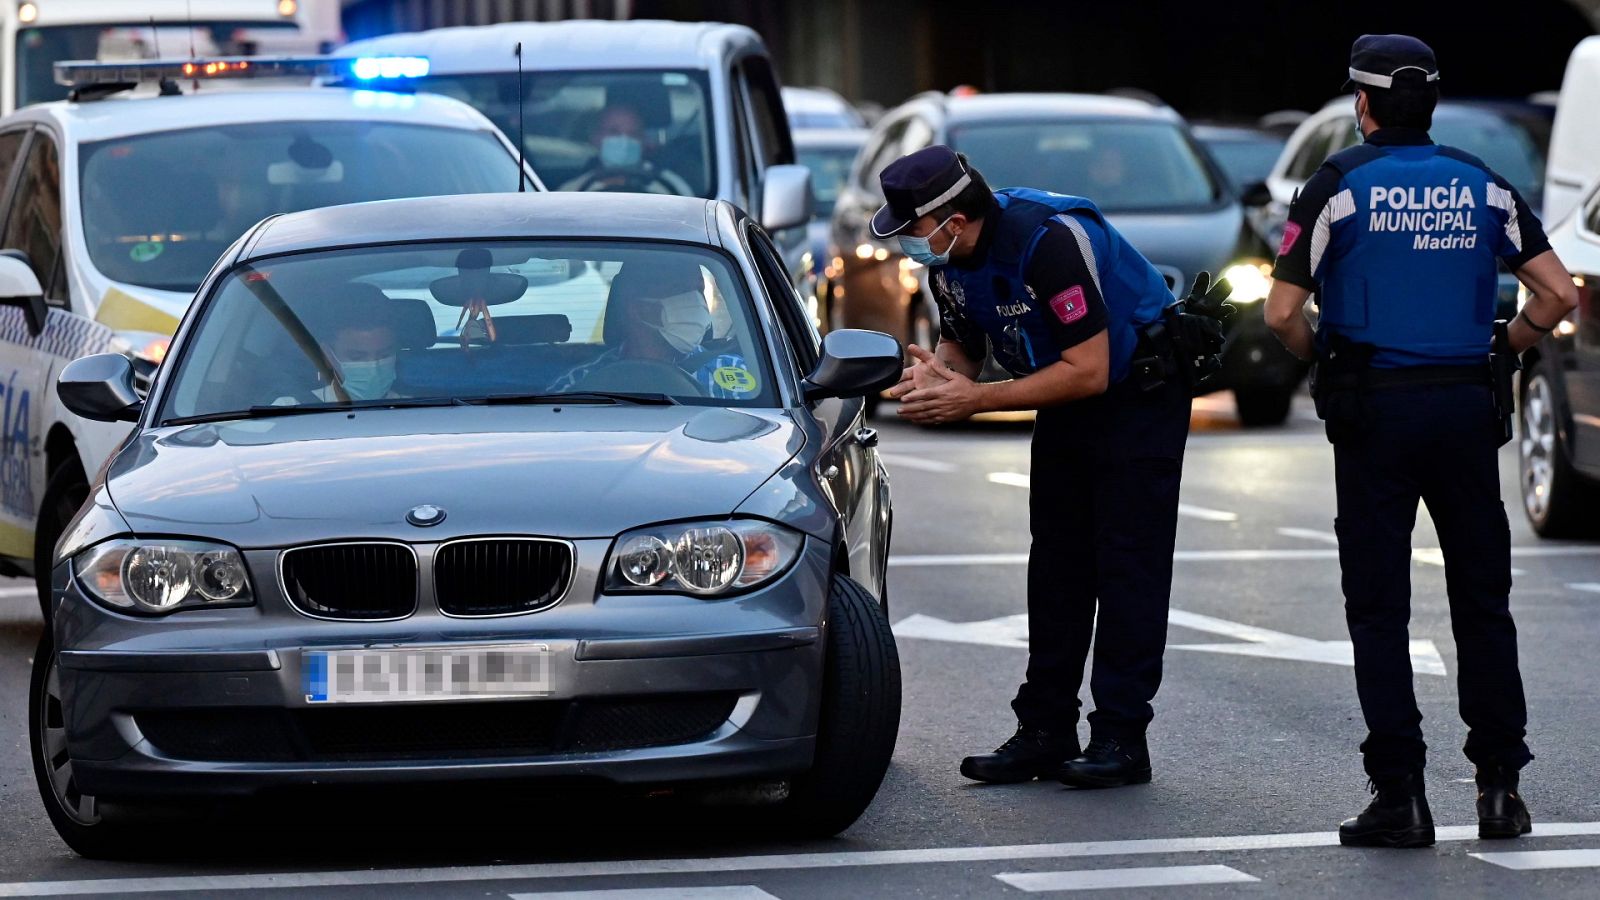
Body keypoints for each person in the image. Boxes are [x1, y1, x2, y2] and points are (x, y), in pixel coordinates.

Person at [1264, 34, 1579, 849]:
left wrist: (1319, 359)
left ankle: (1400, 795)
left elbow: (1279, 315)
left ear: (1362, 105)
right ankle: (1500, 791)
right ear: (1429, 103)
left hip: (1374, 414)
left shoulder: (1335, 186)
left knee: (1379, 607)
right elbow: (1557, 291)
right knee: (1483, 602)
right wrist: (1504, 344)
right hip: (1468, 411)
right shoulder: (1484, 184)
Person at [877, 145, 1218, 788]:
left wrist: (976, 402)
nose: (907, 246)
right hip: (1067, 392)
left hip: (1137, 394)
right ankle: (1045, 729)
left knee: (1125, 563)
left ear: (951, 217)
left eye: (912, 231)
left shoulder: (1047, 243)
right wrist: (937, 378)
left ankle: (1120, 737)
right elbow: (963, 350)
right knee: (1056, 562)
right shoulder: (947, 268)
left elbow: (1088, 372)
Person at [550, 262, 757, 400]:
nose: (695, 301)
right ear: (637, 308)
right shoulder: (580, 385)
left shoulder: (739, 376)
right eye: (679, 290)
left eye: (698, 290)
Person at [558, 103, 693, 196]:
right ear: (595, 138)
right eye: (613, 132)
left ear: (644, 141)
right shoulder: (572, 192)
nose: (624, 140)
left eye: (634, 134)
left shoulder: (670, 187)